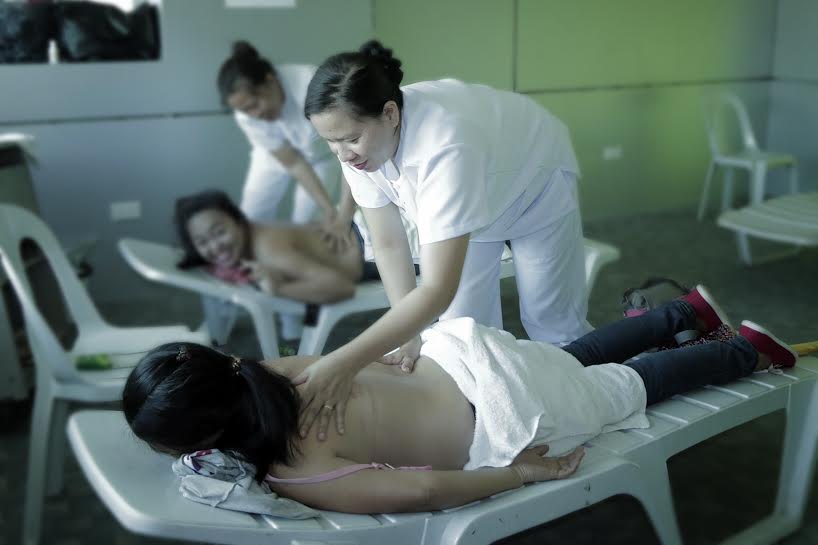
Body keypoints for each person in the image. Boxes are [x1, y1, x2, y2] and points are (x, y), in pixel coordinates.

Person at [123, 286, 797, 513]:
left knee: (622, 387)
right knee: (569, 360)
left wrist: (520, 472)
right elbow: (369, 358)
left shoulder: (295, 469)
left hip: (503, 412)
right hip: (464, 353)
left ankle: (748, 351)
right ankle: (685, 310)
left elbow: (422, 491)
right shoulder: (273, 371)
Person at [297, 40, 589, 437]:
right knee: (463, 330)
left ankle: (589, 406)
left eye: (349, 139)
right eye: (329, 142)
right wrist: (408, 333)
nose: (342, 154)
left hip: (536, 182)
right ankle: (499, 420)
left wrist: (344, 362)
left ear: (390, 113)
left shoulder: (446, 143)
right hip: (479, 192)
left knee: (549, 321)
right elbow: (389, 244)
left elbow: (436, 289)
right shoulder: (358, 144)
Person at [218, 41, 352, 339]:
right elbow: (292, 162)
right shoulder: (247, 116)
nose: (253, 114)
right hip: (276, 156)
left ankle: (292, 316)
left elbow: (348, 151)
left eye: (254, 105)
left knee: (301, 228)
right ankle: (239, 298)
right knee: (249, 220)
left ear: (270, 81)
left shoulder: (311, 84)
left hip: (323, 156)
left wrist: (334, 211)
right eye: (244, 110)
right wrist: (328, 207)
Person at [174, 190, 419, 304]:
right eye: (202, 242)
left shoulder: (267, 248)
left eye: (219, 232)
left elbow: (341, 288)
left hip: (385, 243)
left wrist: (280, 289)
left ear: (237, 221)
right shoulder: (245, 246)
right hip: (366, 228)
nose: (215, 246)